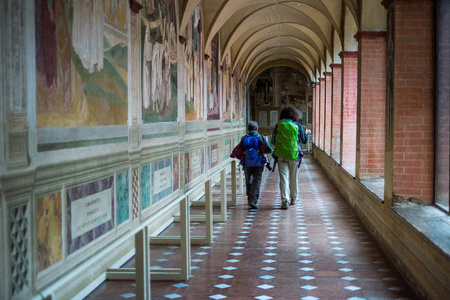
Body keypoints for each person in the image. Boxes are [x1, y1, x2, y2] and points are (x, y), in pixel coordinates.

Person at [272, 106, 311, 209]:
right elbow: (304, 141)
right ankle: (294, 198)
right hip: (294, 156)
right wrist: (306, 133)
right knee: (293, 177)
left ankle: (284, 200)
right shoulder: (297, 125)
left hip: (281, 155)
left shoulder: (278, 125)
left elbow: (273, 141)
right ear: (294, 115)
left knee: (283, 178)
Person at [231, 121, 273, 209]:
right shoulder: (260, 137)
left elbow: (240, 149)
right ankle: (253, 200)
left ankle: (249, 197)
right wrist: (260, 151)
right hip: (259, 162)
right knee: (256, 180)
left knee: (248, 180)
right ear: (257, 129)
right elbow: (269, 149)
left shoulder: (244, 138)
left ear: (248, 129)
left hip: (246, 162)